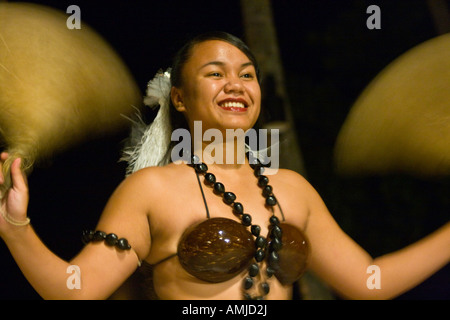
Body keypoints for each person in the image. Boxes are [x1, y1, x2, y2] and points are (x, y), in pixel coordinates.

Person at [0, 32, 449, 300]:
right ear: (179, 97)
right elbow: (75, 290)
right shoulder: (151, 190)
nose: (235, 83)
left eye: (247, 73)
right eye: (215, 73)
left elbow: (371, 282)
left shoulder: (293, 189)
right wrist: (14, 226)